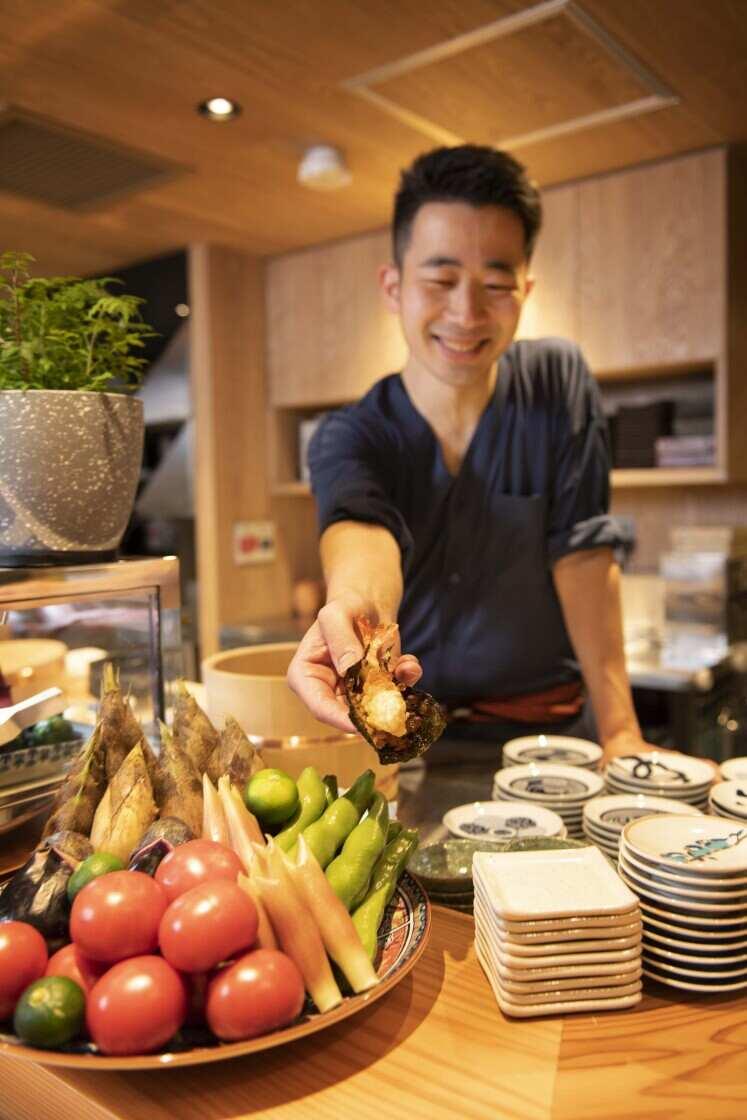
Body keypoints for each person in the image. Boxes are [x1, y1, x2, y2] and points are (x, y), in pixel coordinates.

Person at [287, 144, 653, 763]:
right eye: (440, 279)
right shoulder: (352, 434)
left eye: (495, 284)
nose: (466, 313)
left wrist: (621, 732)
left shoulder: (555, 382)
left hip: (552, 737)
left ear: (526, 289)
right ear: (393, 285)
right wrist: (356, 604)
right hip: (415, 739)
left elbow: (584, 553)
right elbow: (363, 530)